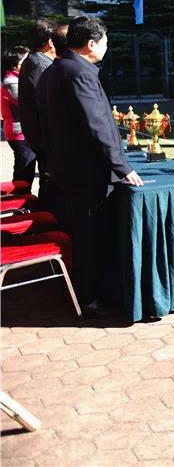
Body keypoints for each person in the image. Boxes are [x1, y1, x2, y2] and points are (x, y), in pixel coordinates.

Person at [40, 16, 144, 311]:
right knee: (91, 238)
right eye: (105, 42)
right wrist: (122, 166)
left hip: (66, 168)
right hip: (87, 174)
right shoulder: (79, 72)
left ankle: (86, 293)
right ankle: (91, 299)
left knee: (83, 235)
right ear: (91, 44)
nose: (107, 47)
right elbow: (96, 124)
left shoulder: (57, 69)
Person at [18, 20, 67, 207]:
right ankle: (46, 215)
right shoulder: (39, 64)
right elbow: (48, 100)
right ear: (50, 41)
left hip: (41, 132)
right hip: (44, 134)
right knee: (50, 178)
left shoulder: (37, 61)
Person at [2, 46, 36, 184]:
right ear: (15, 66)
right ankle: (19, 196)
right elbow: (29, 103)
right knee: (24, 171)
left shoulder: (17, 79)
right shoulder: (12, 83)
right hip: (19, 132)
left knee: (24, 167)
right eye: (26, 62)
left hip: (20, 131)